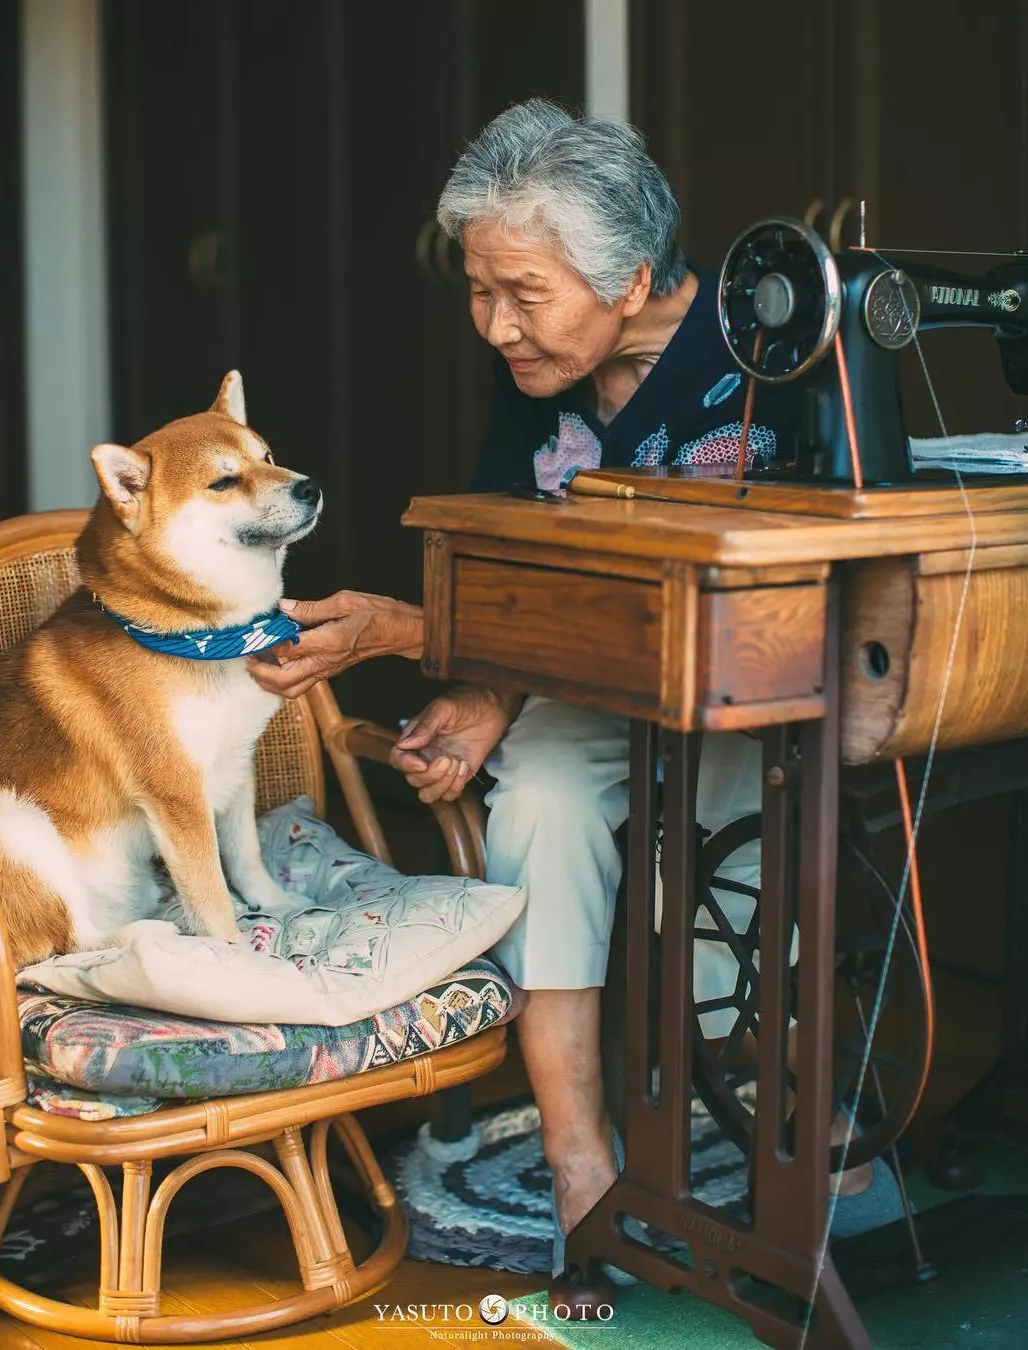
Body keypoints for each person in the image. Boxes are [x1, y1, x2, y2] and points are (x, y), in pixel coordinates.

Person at [251, 100, 898, 1270]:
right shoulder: (543, 373)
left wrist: (406, 630)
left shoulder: (771, 350)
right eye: (479, 288)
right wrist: (492, 694)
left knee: (774, 824)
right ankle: (577, 1154)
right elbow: (512, 563)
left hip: (750, 678)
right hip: (594, 684)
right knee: (541, 790)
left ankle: (778, 1083)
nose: (495, 325)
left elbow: (824, 574)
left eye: (522, 291)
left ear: (632, 277)